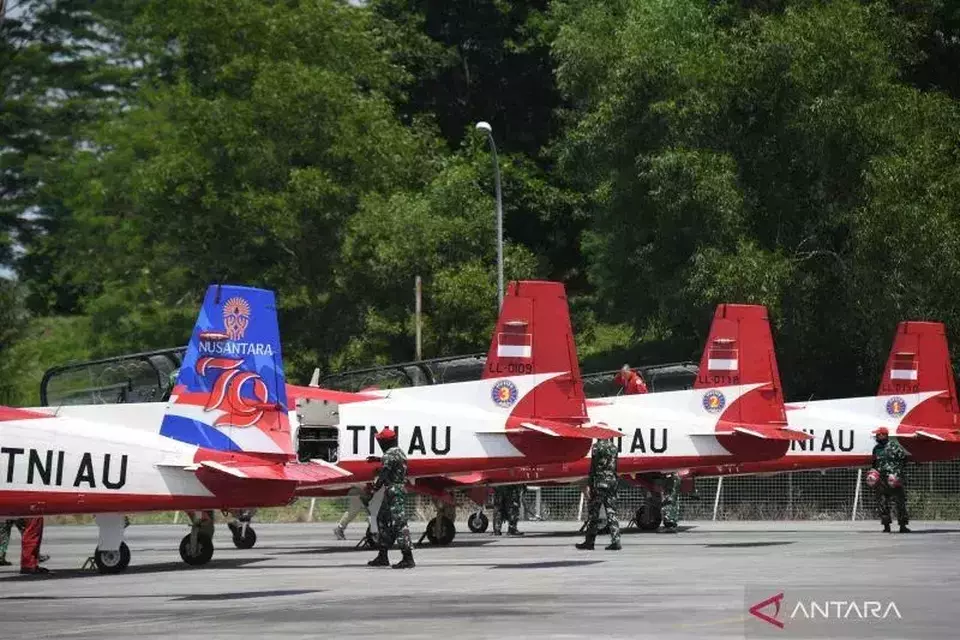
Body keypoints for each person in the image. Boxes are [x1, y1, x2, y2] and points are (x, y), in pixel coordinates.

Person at [367, 428, 415, 569]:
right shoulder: (399, 452)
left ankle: (408, 558)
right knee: (382, 520)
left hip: (393, 491)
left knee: (399, 523)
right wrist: (378, 459)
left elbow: (384, 472)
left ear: (385, 442)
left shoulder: (389, 455)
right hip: (396, 490)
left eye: (381, 441)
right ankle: (382, 555)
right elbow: (394, 462)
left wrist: (375, 487)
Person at [577, 437, 621, 551]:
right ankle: (616, 541)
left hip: (600, 482)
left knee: (594, 513)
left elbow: (593, 467)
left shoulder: (597, 447)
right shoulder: (614, 448)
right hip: (612, 482)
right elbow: (615, 466)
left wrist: (590, 483)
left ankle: (589, 542)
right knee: (611, 512)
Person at [869, 427, 910, 533]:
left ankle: (903, 526)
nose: (876, 437)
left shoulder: (895, 447)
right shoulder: (876, 449)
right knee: (882, 503)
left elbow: (903, 460)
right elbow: (874, 463)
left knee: (900, 502)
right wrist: (873, 473)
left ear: (884, 435)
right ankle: (886, 526)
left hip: (894, 479)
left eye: (878, 435)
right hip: (881, 480)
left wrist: (897, 474)